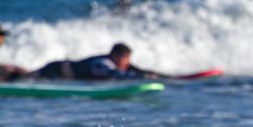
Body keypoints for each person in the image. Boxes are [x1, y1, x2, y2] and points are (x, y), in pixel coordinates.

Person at [31, 43, 159, 80]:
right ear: (117, 56)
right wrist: (139, 77)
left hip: (60, 70)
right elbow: (114, 73)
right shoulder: (103, 63)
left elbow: (135, 69)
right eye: (126, 60)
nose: (127, 64)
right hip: (56, 70)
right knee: (25, 77)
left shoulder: (113, 62)